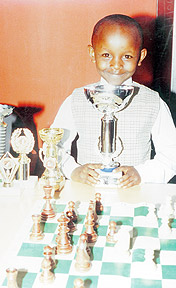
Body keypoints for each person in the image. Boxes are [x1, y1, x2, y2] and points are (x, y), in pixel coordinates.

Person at [51, 14, 176, 188]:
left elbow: (172, 153)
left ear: (140, 57)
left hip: (135, 195)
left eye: (127, 56)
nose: (116, 65)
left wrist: (142, 174)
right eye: (106, 54)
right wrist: (73, 171)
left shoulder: (154, 103)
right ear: (92, 53)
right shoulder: (76, 100)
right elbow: (53, 147)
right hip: (86, 197)